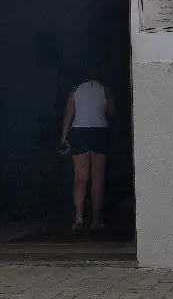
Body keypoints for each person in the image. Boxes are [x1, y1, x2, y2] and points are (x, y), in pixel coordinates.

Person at [61, 69, 114, 231]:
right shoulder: (105, 89)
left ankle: (79, 218)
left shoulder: (76, 90)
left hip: (80, 132)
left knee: (80, 177)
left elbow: (68, 115)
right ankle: (96, 220)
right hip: (99, 130)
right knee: (97, 178)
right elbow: (112, 112)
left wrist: (63, 137)